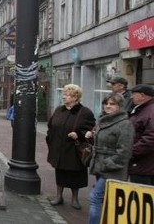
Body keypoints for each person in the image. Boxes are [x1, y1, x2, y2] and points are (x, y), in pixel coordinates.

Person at [86, 93, 134, 224]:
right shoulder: (103, 120)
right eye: (106, 103)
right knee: (105, 198)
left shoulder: (125, 124)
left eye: (112, 104)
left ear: (120, 106)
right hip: (100, 165)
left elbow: (124, 151)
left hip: (113, 168)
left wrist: (108, 163)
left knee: (95, 197)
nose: (108, 106)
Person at [46, 83, 96, 210]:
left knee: (75, 174)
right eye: (64, 94)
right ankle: (59, 196)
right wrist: (50, 140)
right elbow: (51, 126)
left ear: (75, 97)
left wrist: (79, 135)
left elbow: (90, 131)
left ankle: (74, 199)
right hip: (59, 148)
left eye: (67, 95)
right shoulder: (59, 110)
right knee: (60, 172)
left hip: (74, 150)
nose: (64, 97)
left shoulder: (84, 112)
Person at [127, 84, 154, 185]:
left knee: (143, 197)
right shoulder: (142, 109)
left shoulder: (150, 111)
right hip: (142, 164)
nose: (131, 97)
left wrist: (131, 152)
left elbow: (151, 138)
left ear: (142, 95)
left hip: (144, 165)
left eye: (134, 94)